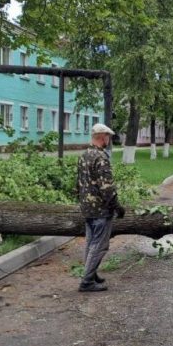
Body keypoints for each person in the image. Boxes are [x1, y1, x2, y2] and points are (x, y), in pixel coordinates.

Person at [76, 122, 125, 292]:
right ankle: (87, 281)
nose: (109, 140)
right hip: (100, 209)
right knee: (99, 245)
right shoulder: (101, 158)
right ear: (103, 137)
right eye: (108, 137)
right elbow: (107, 187)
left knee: (91, 243)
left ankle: (91, 273)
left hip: (87, 208)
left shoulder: (84, 155)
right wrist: (117, 206)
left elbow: (79, 184)